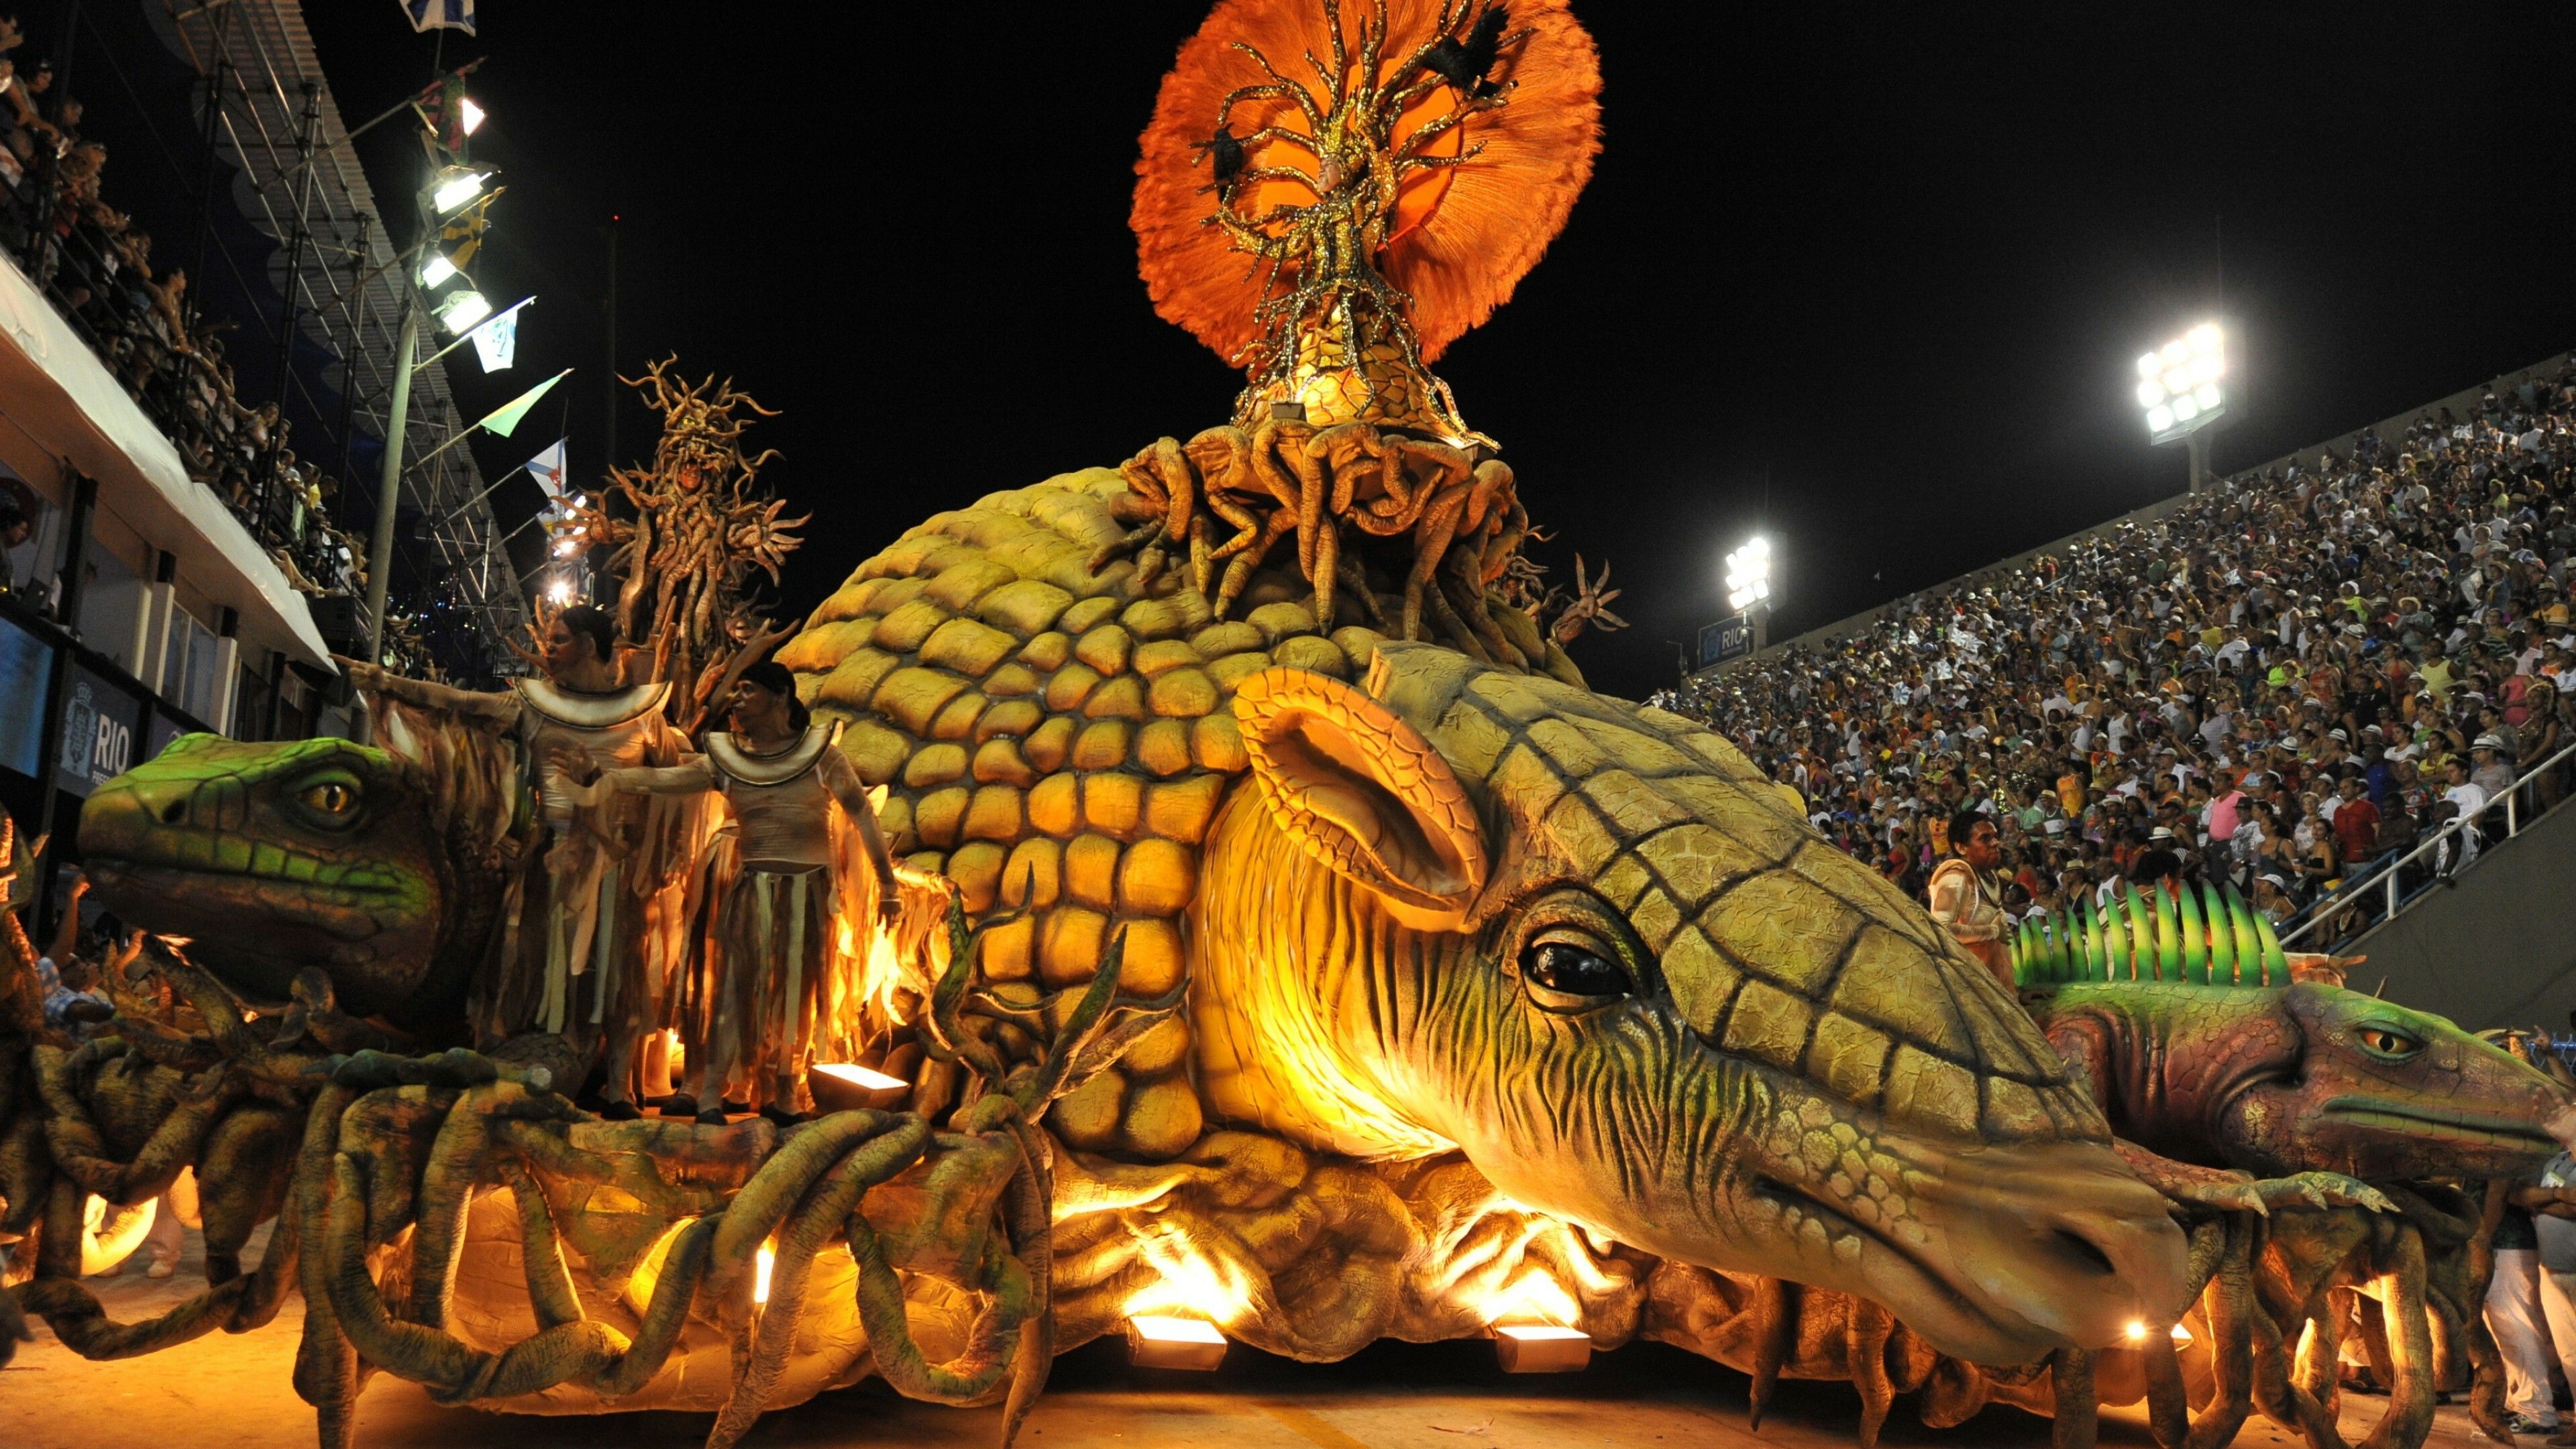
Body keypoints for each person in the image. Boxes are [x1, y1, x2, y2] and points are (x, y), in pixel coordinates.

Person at [342, 605, 706, 1117]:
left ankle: (619, 1088)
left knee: (616, 974)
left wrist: (666, 852)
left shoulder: (644, 715)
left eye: (557, 640)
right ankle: (535, 1065)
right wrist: (389, 684)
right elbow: (459, 702)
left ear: (586, 644)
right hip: (547, 862)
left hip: (616, 870)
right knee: (532, 968)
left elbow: (681, 780)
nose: (548, 649)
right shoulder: (533, 706)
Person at [577, 663, 902, 1124]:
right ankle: (710, 1094)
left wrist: (888, 887)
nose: (737, 699)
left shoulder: (822, 756)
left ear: (781, 695)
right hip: (751, 892)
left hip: (807, 895)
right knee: (732, 993)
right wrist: (613, 779)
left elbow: (863, 813)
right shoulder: (728, 761)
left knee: (797, 997)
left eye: (748, 690)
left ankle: (784, 1096)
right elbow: (667, 780)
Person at [1926, 810, 2012, 989]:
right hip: (1969, 988)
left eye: (1996, 836)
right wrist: (1994, 931)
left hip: (1996, 986)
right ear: (1961, 848)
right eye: (1985, 838)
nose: (1996, 843)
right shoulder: (1955, 878)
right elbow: (1941, 930)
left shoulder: (1989, 875)